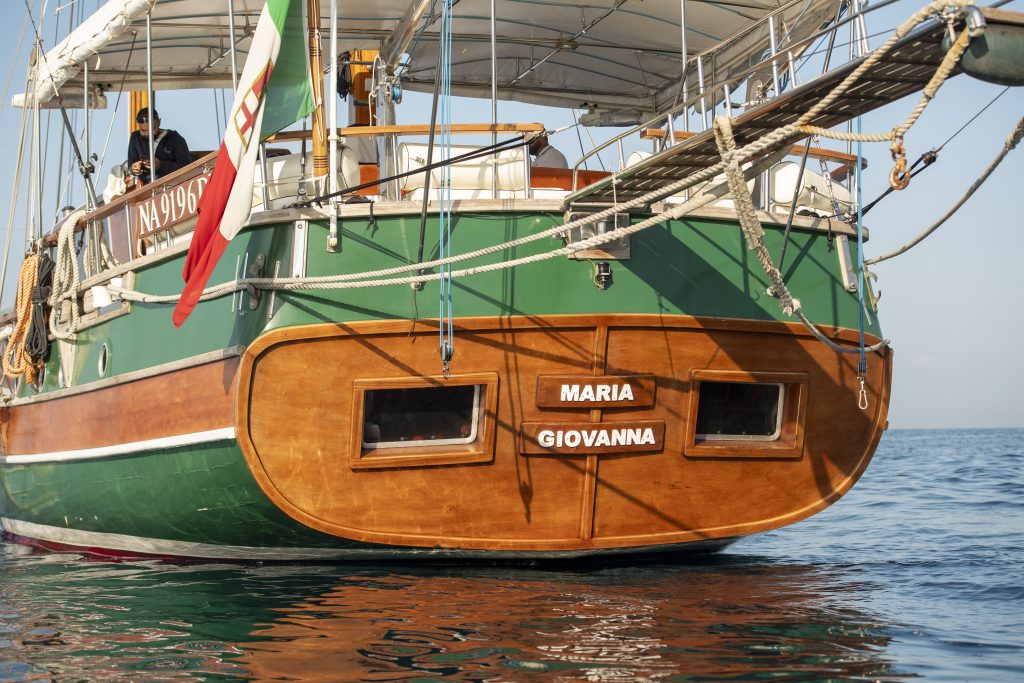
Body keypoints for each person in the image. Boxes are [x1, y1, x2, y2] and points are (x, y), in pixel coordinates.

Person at [127, 108, 191, 184]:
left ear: (159, 122)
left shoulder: (175, 138)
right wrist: (134, 169)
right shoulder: (135, 138)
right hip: (145, 187)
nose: (148, 134)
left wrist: (161, 165)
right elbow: (131, 164)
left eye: (152, 129)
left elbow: (187, 167)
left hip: (171, 186)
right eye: (143, 131)